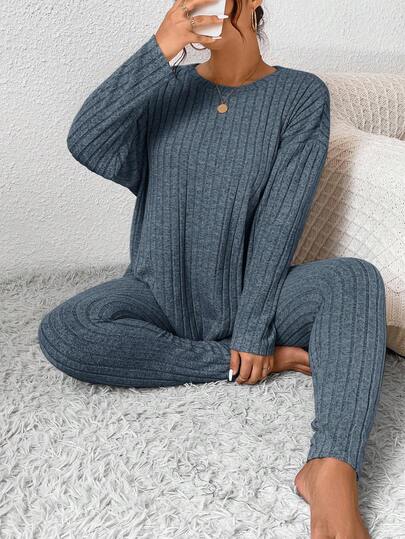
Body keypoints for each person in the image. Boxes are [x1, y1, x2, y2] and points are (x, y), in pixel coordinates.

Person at [38, 0, 387, 537]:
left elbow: (280, 220)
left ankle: (331, 467)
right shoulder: (165, 89)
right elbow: (85, 141)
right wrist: (159, 49)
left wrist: (253, 330)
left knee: (355, 279)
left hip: (260, 300)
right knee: (67, 331)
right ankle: (234, 362)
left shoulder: (299, 95)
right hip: (157, 292)